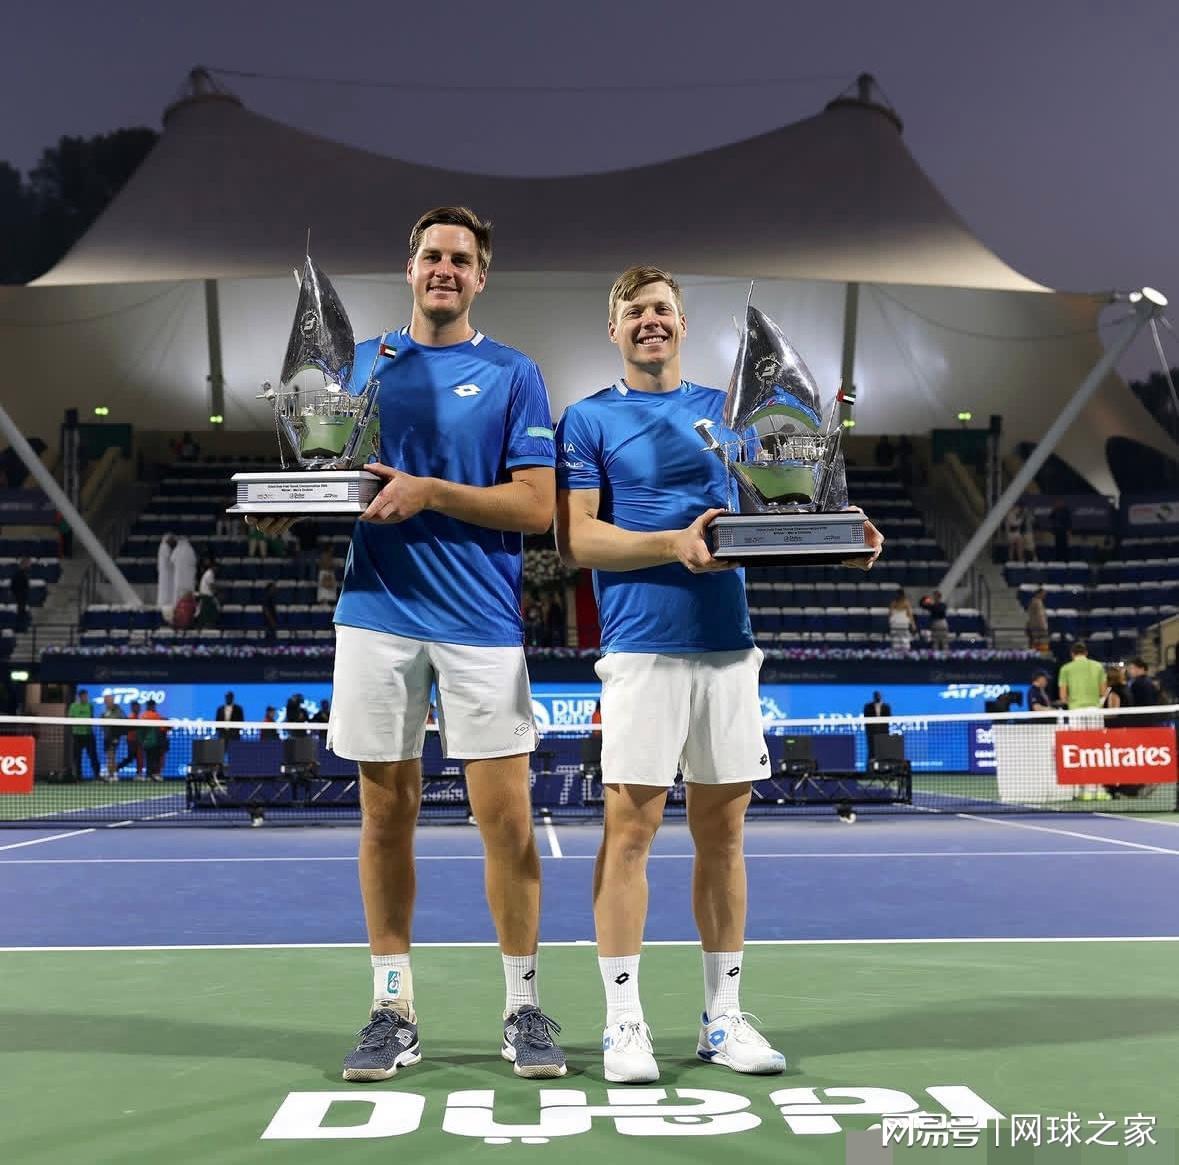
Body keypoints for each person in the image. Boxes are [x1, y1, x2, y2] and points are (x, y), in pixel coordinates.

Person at [248, 205, 565, 1082]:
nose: (444, 269)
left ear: (480, 276)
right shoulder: (358, 366)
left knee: (507, 823)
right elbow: (323, 468)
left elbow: (536, 506)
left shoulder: (513, 373)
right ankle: (392, 1008)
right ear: (410, 266)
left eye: (460, 258)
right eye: (432, 255)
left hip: (481, 621)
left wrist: (431, 491)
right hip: (377, 613)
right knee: (385, 817)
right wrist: (292, 502)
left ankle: (523, 1006)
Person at [554, 264, 882, 1083]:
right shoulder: (588, 419)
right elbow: (578, 540)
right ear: (613, 329)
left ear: (682, 323)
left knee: (723, 837)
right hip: (640, 649)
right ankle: (623, 1023)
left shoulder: (730, 412)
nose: (650, 321)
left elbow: (776, 505)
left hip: (727, 649)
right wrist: (672, 544)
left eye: (662, 309)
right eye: (634, 310)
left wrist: (837, 531)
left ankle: (722, 1018)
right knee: (629, 833)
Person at [1057, 641, 1108, 801]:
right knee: (1096, 749)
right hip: (1094, 711)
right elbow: (1103, 692)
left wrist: (1072, 700)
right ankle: (1099, 789)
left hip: (1076, 712)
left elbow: (1063, 696)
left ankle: (1084, 790)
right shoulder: (1098, 666)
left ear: (1072, 654)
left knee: (1079, 749)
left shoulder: (1066, 668)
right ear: (1086, 653)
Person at [67, 688, 100, 781]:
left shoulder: (90, 706)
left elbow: (91, 717)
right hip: (77, 735)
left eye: (86, 696)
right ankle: (78, 777)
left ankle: (97, 775)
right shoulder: (73, 706)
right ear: (80, 697)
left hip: (88, 734)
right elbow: (70, 719)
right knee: (77, 757)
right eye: (84, 696)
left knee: (93, 756)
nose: (85, 698)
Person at [140, 699, 168, 782]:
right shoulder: (156, 716)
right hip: (155, 742)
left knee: (149, 759)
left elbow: (140, 731)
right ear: (152, 706)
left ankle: (149, 775)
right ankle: (155, 774)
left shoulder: (143, 716)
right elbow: (163, 728)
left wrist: (142, 741)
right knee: (155, 759)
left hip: (146, 743)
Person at [99, 693, 125, 782]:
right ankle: (112, 774)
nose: (107, 702)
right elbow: (102, 722)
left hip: (114, 736)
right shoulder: (105, 711)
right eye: (106, 700)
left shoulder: (118, 710)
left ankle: (112, 774)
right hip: (107, 736)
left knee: (111, 755)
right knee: (110, 756)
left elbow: (122, 719)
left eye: (108, 700)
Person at [862, 691, 892, 758]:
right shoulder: (867, 707)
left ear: (881, 697)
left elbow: (888, 720)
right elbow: (866, 720)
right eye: (876, 696)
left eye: (879, 696)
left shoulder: (886, 707)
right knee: (871, 751)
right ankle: (870, 764)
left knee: (883, 751)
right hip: (871, 734)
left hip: (883, 734)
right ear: (874, 697)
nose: (877, 697)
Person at [887, 588, 916, 652]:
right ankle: (900, 652)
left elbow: (910, 615)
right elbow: (890, 615)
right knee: (899, 641)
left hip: (901, 625)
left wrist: (913, 624)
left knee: (901, 641)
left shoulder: (903, 603)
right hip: (897, 625)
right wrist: (913, 625)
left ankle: (902, 652)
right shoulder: (895, 603)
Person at [156, 533, 177, 619]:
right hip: (166, 573)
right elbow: (170, 560)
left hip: (167, 573)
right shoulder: (165, 547)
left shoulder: (164, 547)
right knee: (166, 589)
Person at [1025, 586, 1049, 650]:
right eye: (1043, 594)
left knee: (1035, 643)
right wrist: (1044, 627)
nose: (1044, 596)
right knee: (1036, 643)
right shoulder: (1037, 602)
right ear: (1038, 594)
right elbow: (1039, 616)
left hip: (1035, 626)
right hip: (1037, 627)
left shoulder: (1035, 601)